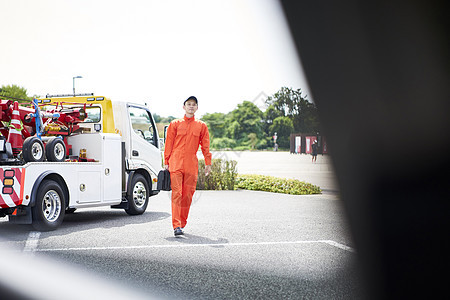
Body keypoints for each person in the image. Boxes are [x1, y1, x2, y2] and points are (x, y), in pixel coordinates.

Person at [164, 96, 212, 237]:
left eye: (194, 104)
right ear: (184, 107)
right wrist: (166, 161)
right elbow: (169, 143)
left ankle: (182, 223)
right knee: (177, 193)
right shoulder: (175, 124)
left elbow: (205, 145)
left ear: (197, 108)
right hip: (176, 162)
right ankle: (177, 225)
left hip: (191, 163)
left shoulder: (201, 126)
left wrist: (208, 163)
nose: (191, 106)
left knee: (188, 196)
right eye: (189, 104)